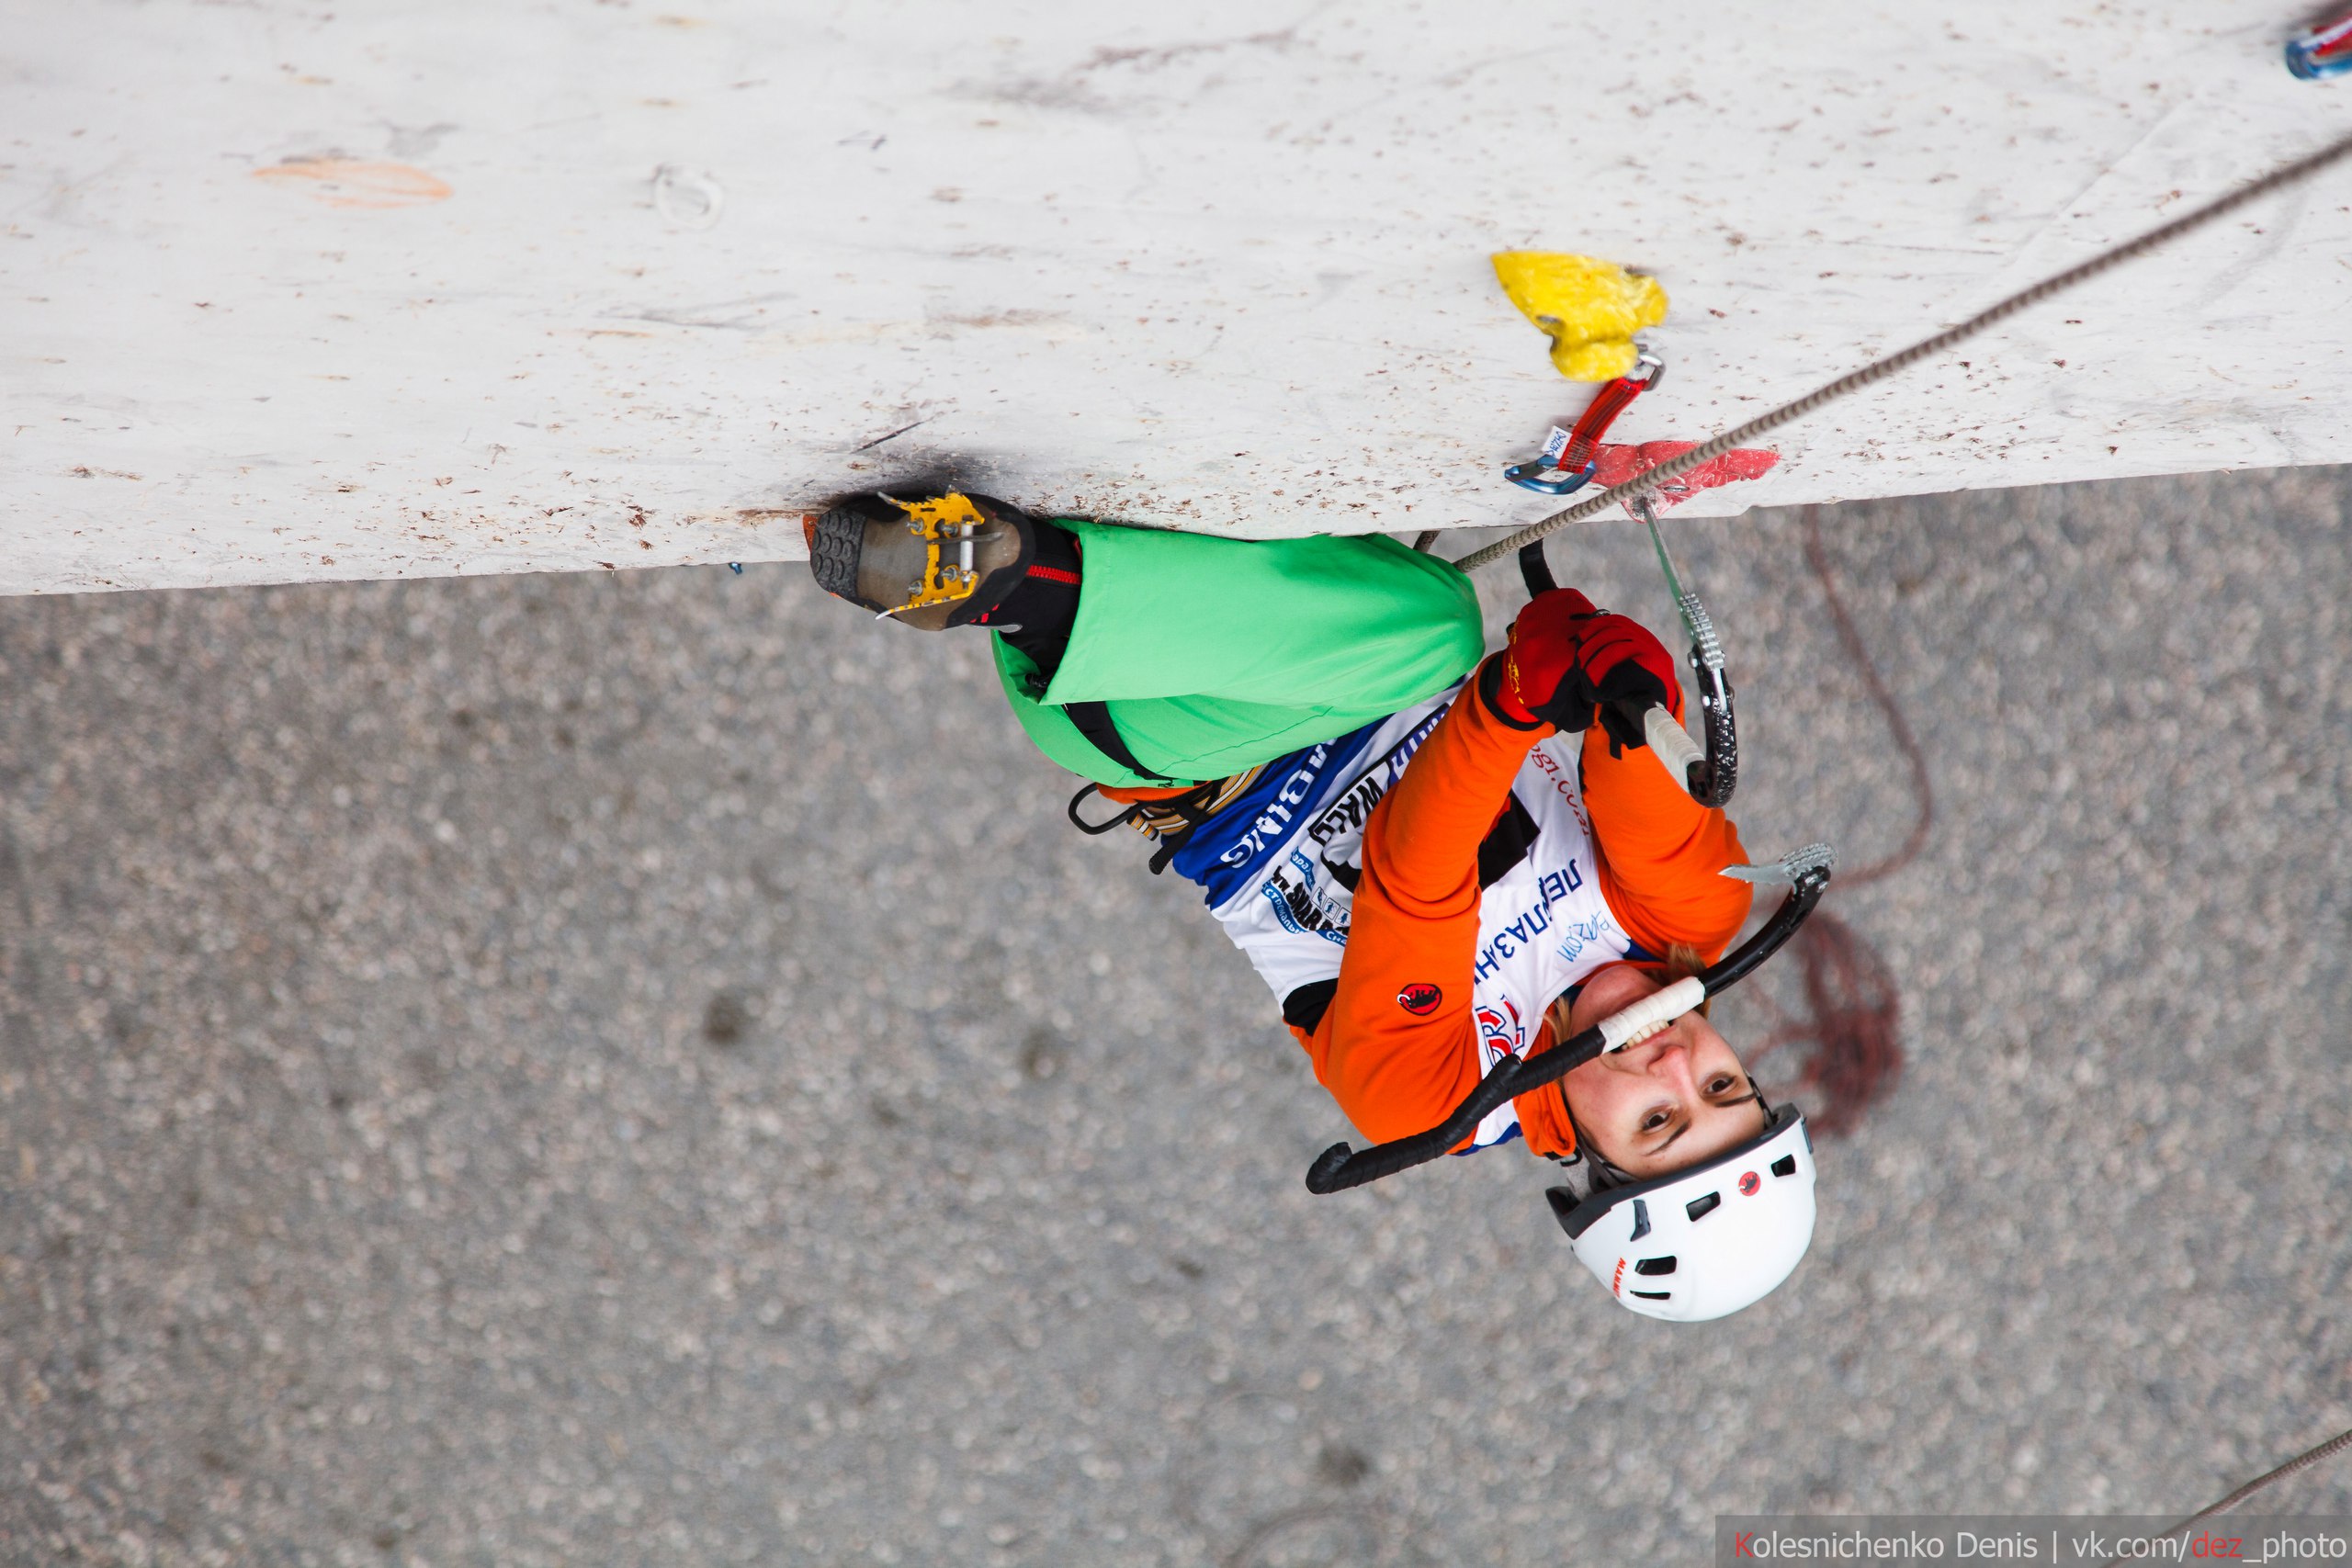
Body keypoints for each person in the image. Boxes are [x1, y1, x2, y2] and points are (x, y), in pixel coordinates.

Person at [805, 491, 1818, 1322]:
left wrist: (1511, 699)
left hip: (1155, 709)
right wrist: (1610, 669)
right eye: (1725, 1090)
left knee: (1432, 630)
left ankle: (1004, 575)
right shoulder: (1691, 919)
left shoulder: (1430, 1101)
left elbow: (1413, 868)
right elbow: (1632, 734)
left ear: (1586, 1160)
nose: (1679, 1062)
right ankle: (1038, 561)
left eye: (1655, 1119)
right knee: (1417, 617)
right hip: (1325, 591)